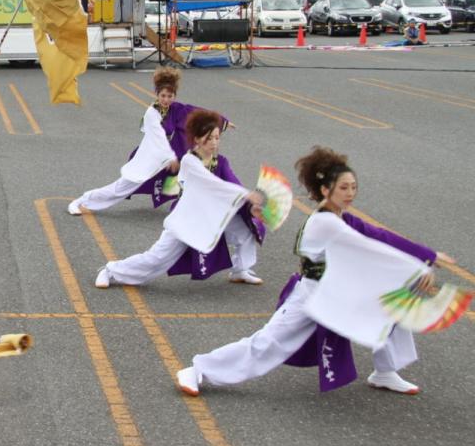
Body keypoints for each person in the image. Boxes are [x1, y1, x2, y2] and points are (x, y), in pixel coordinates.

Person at [176, 147, 455, 397]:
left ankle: (384, 371)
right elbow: (368, 249)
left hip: (335, 290)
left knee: (387, 303)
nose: (350, 193)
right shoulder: (326, 223)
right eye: (343, 188)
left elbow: (378, 235)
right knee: (266, 344)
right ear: (325, 190)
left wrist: (427, 255)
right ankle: (199, 369)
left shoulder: (341, 217)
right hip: (311, 296)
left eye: (353, 187)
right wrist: (418, 266)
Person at [95, 109, 265, 288]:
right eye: (209, 138)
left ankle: (240, 270)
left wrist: (249, 205)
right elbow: (212, 184)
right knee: (156, 258)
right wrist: (245, 194)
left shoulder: (221, 162)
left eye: (217, 137)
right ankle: (110, 271)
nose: (214, 142)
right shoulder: (189, 161)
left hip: (212, 216)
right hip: (187, 219)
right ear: (197, 139)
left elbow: (232, 182)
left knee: (246, 229)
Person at [69, 68, 227, 215]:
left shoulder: (177, 108)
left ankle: (199, 207)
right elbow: (158, 136)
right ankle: (82, 200)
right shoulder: (152, 113)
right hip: (151, 158)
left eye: (170, 96)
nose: (166, 99)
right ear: (157, 94)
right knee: (120, 189)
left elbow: (198, 113)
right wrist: (169, 157)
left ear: (174, 96)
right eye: (163, 96)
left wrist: (222, 120)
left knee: (190, 177)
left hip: (168, 160)